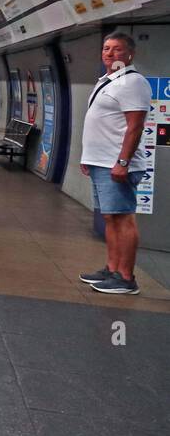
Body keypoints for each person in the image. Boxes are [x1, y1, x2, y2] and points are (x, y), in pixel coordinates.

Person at [78, 32, 151, 295]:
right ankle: (112, 268)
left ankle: (126, 277)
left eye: (117, 49)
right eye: (106, 48)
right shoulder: (109, 81)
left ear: (130, 54)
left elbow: (135, 126)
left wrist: (123, 161)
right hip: (101, 162)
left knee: (123, 218)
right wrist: (88, 158)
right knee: (110, 217)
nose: (110, 54)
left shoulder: (133, 82)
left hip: (117, 164)